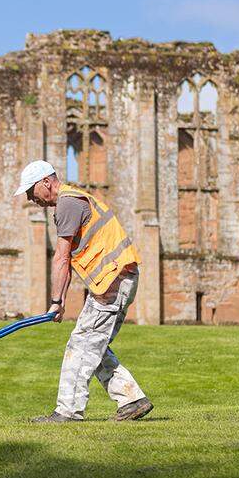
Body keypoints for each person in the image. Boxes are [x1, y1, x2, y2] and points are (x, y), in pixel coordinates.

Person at [14, 160, 153, 422]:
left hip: (112, 279)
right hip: (119, 277)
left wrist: (56, 301)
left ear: (46, 181)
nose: (31, 199)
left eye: (31, 191)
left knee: (80, 344)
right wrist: (62, 300)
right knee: (94, 345)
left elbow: (61, 258)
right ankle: (133, 400)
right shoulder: (74, 199)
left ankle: (67, 411)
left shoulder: (67, 204)